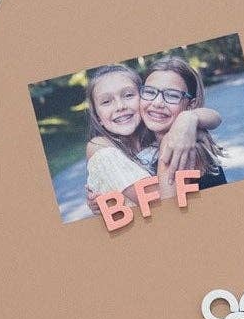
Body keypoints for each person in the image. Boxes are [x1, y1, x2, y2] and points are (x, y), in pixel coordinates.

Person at [82, 60, 220, 212]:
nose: (120, 106)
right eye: (106, 101)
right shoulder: (101, 148)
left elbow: (168, 211)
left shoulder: (183, 141)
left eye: (128, 95)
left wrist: (188, 119)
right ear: (97, 117)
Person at [135, 54, 227, 197]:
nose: (157, 103)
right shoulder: (148, 143)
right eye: (149, 92)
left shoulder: (175, 144)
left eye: (172, 95)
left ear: (190, 105)